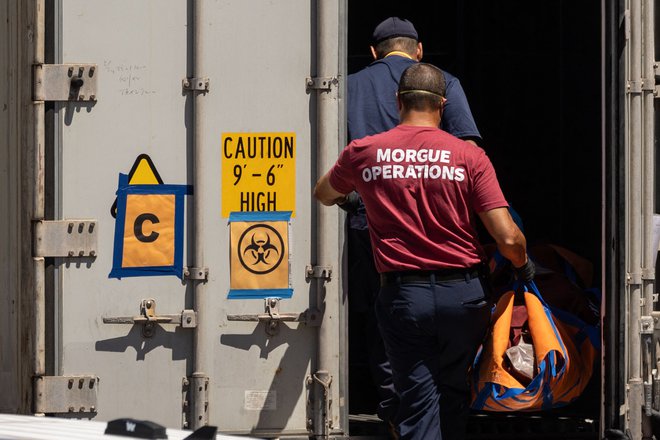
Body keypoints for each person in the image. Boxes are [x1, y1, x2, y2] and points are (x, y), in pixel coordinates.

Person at [315, 63, 534, 440]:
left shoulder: (364, 152)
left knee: (418, 398)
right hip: (464, 299)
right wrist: (523, 266)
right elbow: (508, 238)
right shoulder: (469, 157)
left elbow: (323, 193)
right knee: (453, 391)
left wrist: (353, 198)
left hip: (405, 297)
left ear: (398, 101)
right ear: (443, 105)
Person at [343, 16, 483, 430]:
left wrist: (355, 196)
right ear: (418, 50)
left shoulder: (346, 86)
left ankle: (394, 409)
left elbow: (333, 161)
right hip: (439, 224)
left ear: (373, 52)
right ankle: (442, 414)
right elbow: (468, 150)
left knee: (385, 316)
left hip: (371, 225)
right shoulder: (444, 83)